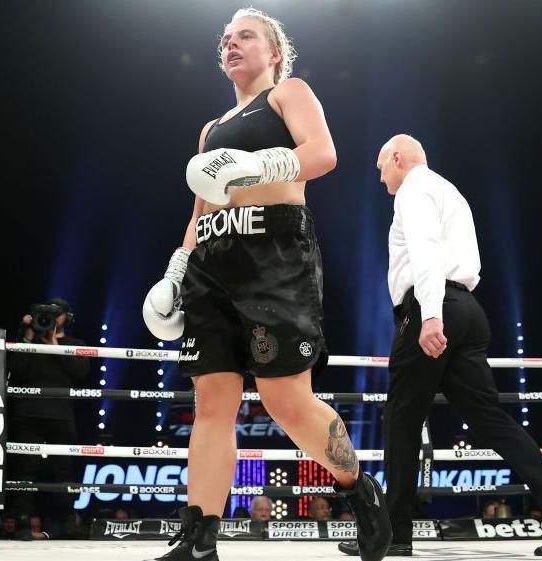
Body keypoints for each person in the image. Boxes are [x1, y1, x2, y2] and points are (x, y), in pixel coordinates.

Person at [142, 8, 390, 561]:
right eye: (225, 38)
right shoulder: (211, 130)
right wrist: (176, 270)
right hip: (211, 257)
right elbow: (202, 204)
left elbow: (322, 154)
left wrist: (253, 167)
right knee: (211, 402)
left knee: (286, 401)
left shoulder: (288, 94)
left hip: (274, 256)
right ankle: (198, 538)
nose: (230, 43)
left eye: (245, 35)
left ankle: (359, 490)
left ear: (274, 51)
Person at [340, 135, 542, 558]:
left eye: (382, 166)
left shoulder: (414, 190)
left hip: (433, 305)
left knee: (401, 418)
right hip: (470, 310)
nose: (381, 178)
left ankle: (395, 535)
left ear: (398, 158)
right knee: (490, 419)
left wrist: (431, 313)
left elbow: (426, 250)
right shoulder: (449, 190)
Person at [7, 297, 90, 534]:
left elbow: (80, 372)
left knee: (64, 471)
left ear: (67, 317)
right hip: (28, 414)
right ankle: (22, 522)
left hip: (61, 416)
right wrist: (28, 334)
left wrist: (53, 344)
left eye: (57, 313)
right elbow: (16, 369)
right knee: (25, 470)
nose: (51, 317)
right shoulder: (27, 339)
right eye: (47, 313)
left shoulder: (75, 343)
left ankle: (66, 523)